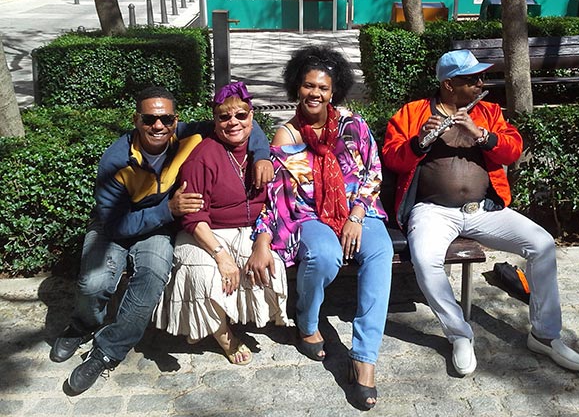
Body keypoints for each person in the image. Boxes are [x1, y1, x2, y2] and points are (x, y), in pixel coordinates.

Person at [50, 86, 273, 393]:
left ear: (175, 120)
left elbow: (242, 120)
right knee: (95, 284)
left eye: (166, 119)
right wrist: (167, 209)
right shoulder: (116, 161)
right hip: (116, 224)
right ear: (136, 120)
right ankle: (83, 324)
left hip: (157, 226)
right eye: (149, 119)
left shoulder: (185, 136)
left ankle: (107, 352)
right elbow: (115, 225)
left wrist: (262, 156)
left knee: (153, 276)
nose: (158, 126)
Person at [382, 49, 579, 376]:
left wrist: (482, 135)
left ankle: (545, 335)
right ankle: (459, 334)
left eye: (481, 78)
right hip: (433, 211)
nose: (481, 84)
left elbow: (513, 149)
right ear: (449, 85)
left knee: (543, 244)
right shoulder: (413, 113)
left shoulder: (489, 112)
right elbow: (392, 158)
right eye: (472, 79)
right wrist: (420, 142)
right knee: (425, 261)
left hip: (484, 209)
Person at [253, 45, 393, 410]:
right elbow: (279, 196)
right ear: (296, 87)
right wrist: (264, 236)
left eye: (323, 88)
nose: (315, 93)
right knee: (324, 255)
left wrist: (357, 214)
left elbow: (373, 172)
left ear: (334, 91)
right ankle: (307, 319)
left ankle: (364, 358)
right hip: (309, 216)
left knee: (381, 251)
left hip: (358, 212)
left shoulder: (353, 126)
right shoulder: (286, 136)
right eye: (308, 86)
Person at [153, 82, 291, 365]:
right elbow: (192, 216)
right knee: (203, 275)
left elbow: (273, 204)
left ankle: (245, 316)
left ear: (252, 117)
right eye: (224, 117)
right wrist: (221, 255)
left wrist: (262, 243)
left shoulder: (261, 156)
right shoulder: (202, 155)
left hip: (250, 228)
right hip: (205, 231)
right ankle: (224, 335)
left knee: (270, 266)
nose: (233, 123)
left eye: (241, 116)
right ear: (214, 121)